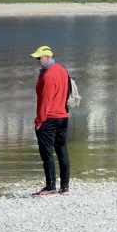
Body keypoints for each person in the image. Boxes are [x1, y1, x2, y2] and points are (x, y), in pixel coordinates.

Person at [30, 45, 71, 196]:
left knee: (47, 154)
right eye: (36, 58)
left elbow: (45, 100)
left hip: (49, 118)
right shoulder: (62, 70)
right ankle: (65, 187)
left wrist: (39, 121)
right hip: (63, 116)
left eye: (39, 58)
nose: (37, 61)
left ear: (47, 57)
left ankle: (51, 187)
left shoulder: (48, 75)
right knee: (62, 151)